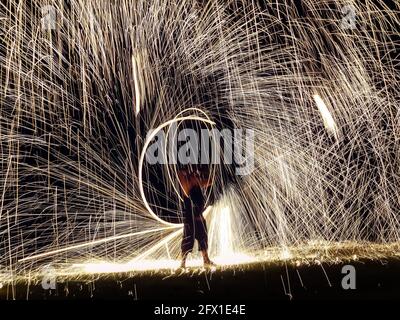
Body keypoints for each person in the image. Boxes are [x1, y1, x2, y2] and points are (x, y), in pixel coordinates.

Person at [177, 167, 215, 268]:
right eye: (195, 176)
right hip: (190, 220)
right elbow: (180, 174)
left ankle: (206, 260)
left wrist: (202, 172)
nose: (197, 177)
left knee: (203, 239)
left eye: (197, 176)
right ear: (190, 177)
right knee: (187, 241)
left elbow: (211, 180)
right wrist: (187, 172)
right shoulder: (187, 186)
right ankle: (183, 263)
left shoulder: (198, 184)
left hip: (200, 218)